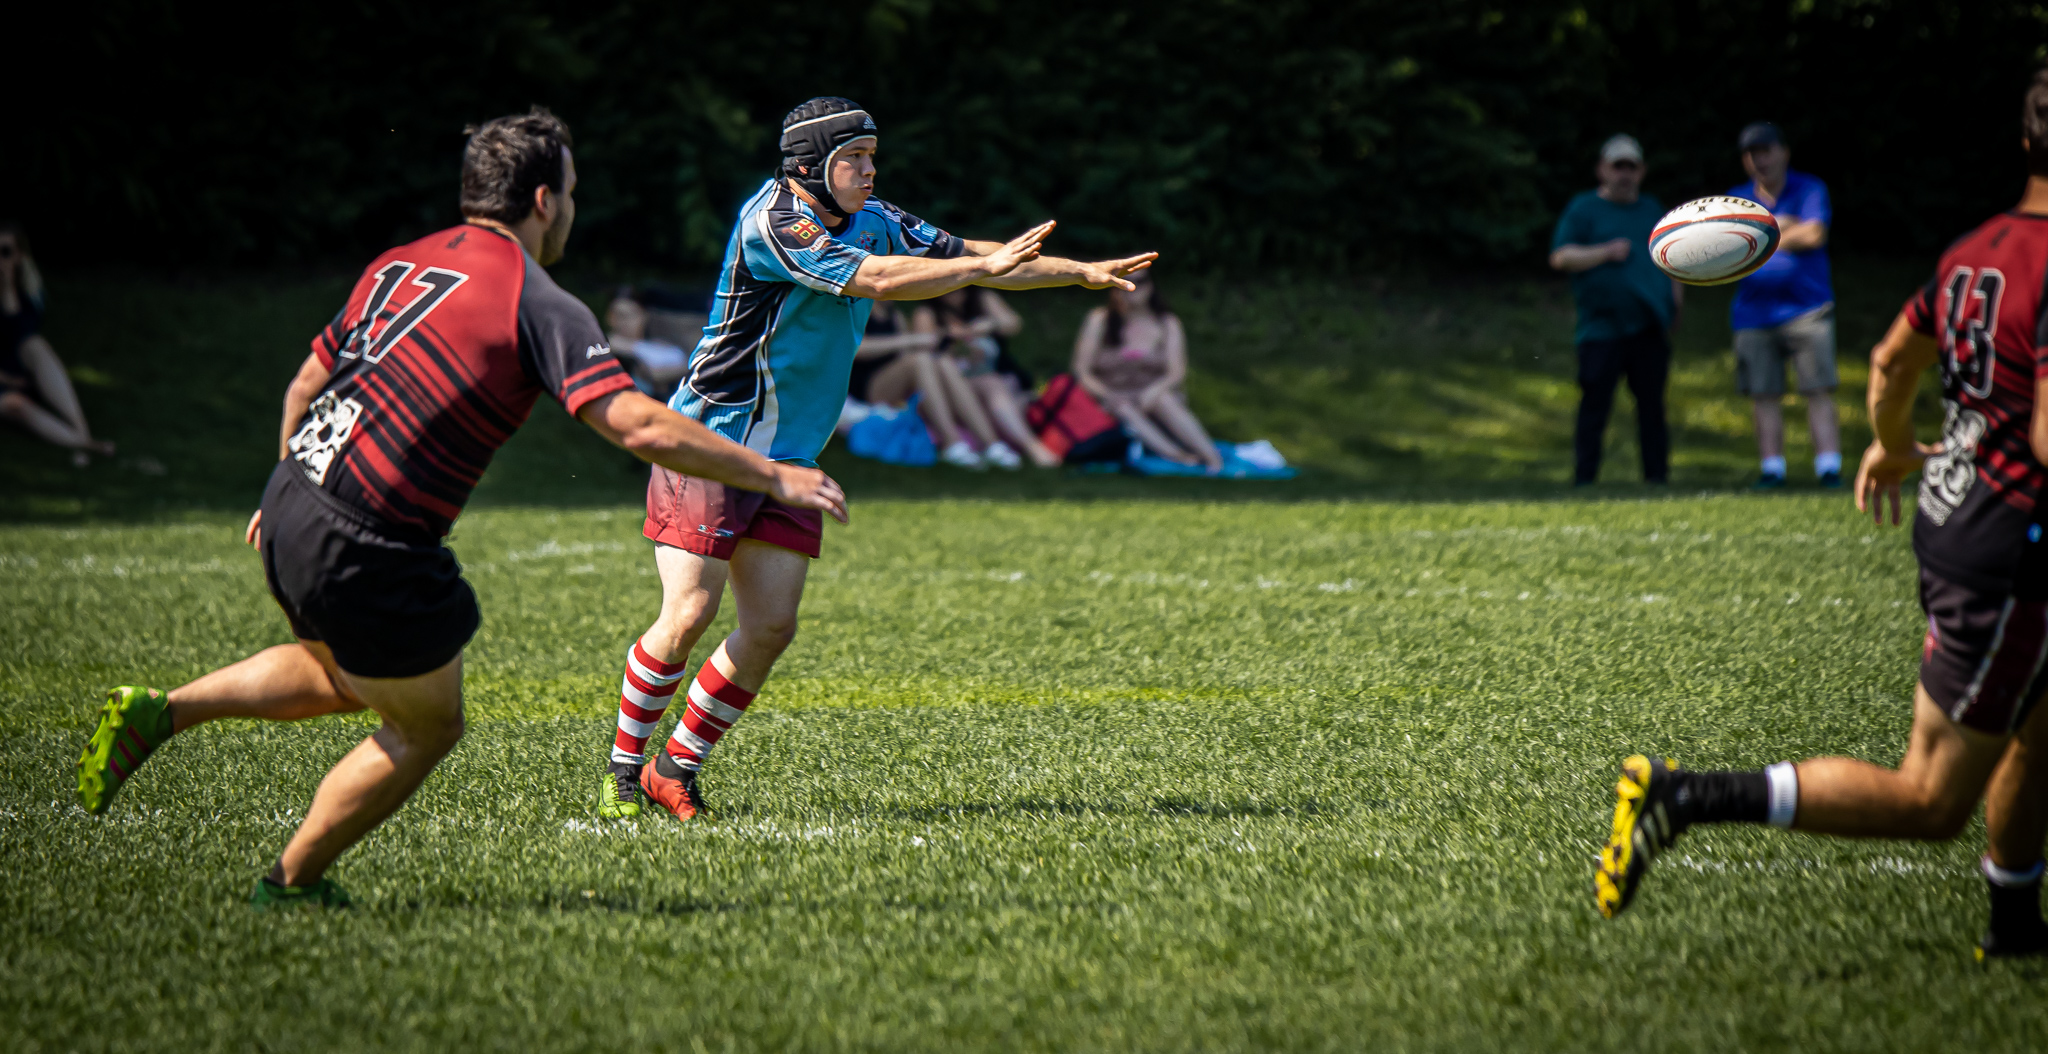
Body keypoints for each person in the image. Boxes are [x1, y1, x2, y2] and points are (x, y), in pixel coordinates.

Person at [72, 108, 847, 908]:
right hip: (371, 540)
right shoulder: (535, 299)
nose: (573, 208)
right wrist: (771, 475)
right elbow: (637, 425)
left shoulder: (398, 263)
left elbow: (305, 383)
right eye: (572, 191)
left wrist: (284, 489)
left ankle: (161, 713)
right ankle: (291, 884)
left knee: (345, 674)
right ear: (543, 200)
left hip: (291, 501)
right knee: (428, 726)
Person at [596, 96, 1154, 822]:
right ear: (810, 165)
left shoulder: (874, 216)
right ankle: (623, 770)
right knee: (689, 612)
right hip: (714, 439)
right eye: (854, 158)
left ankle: (674, 769)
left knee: (770, 628)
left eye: (871, 157)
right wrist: (981, 266)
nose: (869, 171)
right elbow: (881, 280)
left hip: (791, 457)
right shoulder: (775, 222)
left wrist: (1076, 272)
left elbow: (976, 257)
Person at [1594, 71, 2048, 960]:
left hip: (1961, 519)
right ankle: (1685, 797)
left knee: (2037, 726)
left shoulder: (1975, 250)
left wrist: (1891, 444)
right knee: (1931, 799)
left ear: (2025, 142)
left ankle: (2013, 921)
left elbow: (1891, 362)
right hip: (2014, 543)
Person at [1548, 134, 1681, 486]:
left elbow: (1675, 259)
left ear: (1642, 171)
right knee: (1594, 404)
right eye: (1617, 166)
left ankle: (1657, 478)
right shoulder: (1584, 209)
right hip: (1601, 327)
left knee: (1652, 406)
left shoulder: (1653, 210)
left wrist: (1675, 302)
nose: (1624, 174)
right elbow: (1561, 257)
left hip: (1648, 325)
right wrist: (1604, 252)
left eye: (1631, 167)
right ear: (1601, 170)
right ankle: (1585, 478)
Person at [1728, 121, 1842, 489]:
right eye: (1752, 153)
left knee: (1817, 389)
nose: (1760, 159)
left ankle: (1829, 469)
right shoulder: (1735, 200)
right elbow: (1726, 248)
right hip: (1753, 312)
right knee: (1763, 394)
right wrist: (1783, 227)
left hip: (1808, 309)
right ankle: (1772, 470)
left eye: (1766, 150)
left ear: (1784, 152)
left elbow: (1814, 234)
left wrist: (1758, 234)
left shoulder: (1809, 188)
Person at [1070, 271, 1222, 472]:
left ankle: (1213, 459)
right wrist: (1107, 394)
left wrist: (1153, 391)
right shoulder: (1100, 320)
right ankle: (1180, 458)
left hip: (1154, 394)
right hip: (1112, 397)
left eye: (1139, 281)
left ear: (1151, 286)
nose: (1132, 288)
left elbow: (1176, 372)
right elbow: (1082, 371)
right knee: (1123, 407)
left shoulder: (1167, 323)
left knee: (1164, 399)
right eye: (1125, 281)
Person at [0, 221, 116, 465]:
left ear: (19, 256)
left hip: (18, 369)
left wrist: (8, 288)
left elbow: (21, 333)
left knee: (36, 345)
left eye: (6, 252)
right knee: (17, 404)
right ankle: (88, 445)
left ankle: (81, 432)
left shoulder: (28, 289)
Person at [913, 287, 1060, 468]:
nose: (954, 292)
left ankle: (1005, 446)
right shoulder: (927, 313)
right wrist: (951, 339)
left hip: (998, 380)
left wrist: (988, 325)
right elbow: (927, 352)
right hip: (954, 385)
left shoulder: (982, 298)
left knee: (1000, 389)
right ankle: (1026, 447)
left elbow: (1013, 324)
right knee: (991, 384)